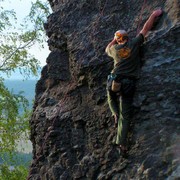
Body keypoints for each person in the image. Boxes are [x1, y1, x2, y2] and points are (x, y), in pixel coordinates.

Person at [105, 9, 163, 156]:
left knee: (110, 94)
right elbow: (145, 28)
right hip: (127, 84)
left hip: (114, 80)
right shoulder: (134, 44)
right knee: (125, 115)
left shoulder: (114, 50)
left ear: (118, 40)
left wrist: (114, 39)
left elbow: (106, 48)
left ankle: (113, 113)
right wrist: (154, 15)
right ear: (127, 37)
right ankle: (121, 144)